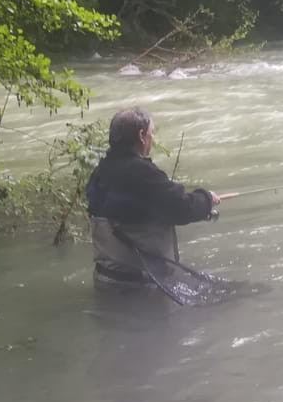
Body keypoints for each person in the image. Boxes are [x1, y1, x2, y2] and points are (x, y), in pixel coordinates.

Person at [86, 106, 221, 289]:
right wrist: (206, 199)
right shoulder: (142, 173)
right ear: (142, 135)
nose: (153, 138)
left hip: (105, 279)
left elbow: (133, 210)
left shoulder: (100, 172)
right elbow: (180, 208)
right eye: (152, 132)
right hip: (142, 285)